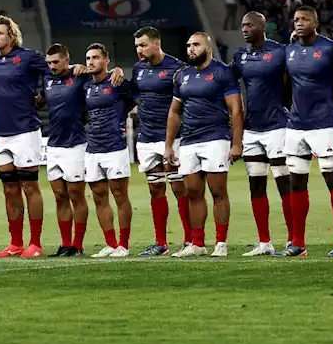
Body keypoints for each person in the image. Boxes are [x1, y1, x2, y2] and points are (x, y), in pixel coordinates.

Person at [0, 16, 48, 258]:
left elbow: (55, 70)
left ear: (11, 35)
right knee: (9, 189)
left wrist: (43, 94)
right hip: (2, 133)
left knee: (30, 186)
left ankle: (35, 243)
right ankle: (15, 243)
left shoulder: (28, 56)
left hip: (26, 131)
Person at [166, 33, 243, 258]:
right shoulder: (182, 76)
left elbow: (236, 109)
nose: (190, 49)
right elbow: (174, 111)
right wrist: (169, 145)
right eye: (188, 45)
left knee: (218, 192)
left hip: (216, 138)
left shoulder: (222, 72)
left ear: (208, 48)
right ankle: (197, 243)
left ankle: (220, 242)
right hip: (189, 141)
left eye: (196, 45)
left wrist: (236, 143)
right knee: (193, 193)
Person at [282, 5, 333, 257]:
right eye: (296, 19)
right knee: (297, 181)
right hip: (296, 124)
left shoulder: (331, 48)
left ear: (316, 23)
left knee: (331, 177)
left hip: (324, 123)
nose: (299, 23)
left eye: (304, 19)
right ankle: (298, 243)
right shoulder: (288, 50)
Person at [230, 12, 289, 257]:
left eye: (249, 25)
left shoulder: (280, 52)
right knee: (256, 186)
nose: (244, 29)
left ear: (262, 27)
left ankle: (295, 241)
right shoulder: (240, 56)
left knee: (285, 184)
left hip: (278, 126)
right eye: (242, 25)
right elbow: (222, 78)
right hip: (252, 130)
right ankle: (264, 242)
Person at [131, 27, 189, 257]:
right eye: (136, 46)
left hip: (173, 138)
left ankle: (189, 240)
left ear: (157, 44)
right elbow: (136, 96)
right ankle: (161, 243)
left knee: (178, 187)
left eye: (143, 45)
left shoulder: (176, 69)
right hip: (146, 138)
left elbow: (184, 104)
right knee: (155, 188)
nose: (139, 50)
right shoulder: (138, 70)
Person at [82, 44, 138, 258]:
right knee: (98, 197)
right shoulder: (85, 84)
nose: (91, 62)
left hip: (115, 147)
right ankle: (111, 243)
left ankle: (123, 244)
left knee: (120, 195)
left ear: (106, 60)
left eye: (96, 57)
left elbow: (135, 95)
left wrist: (120, 71)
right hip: (92, 149)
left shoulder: (117, 83)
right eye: (88, 58)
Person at [41, 44, 90, 257]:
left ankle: (78, 245)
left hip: (75, 144)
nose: (52, 66)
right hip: (53, 146)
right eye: (49, 63)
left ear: (66, 60)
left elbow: (101, 76)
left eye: (56, 62)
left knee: (76, 194)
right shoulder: (46, 80)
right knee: (60, 195)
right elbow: (40, 100)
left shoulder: (79, 76)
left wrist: (115, 70)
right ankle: (65, 244)